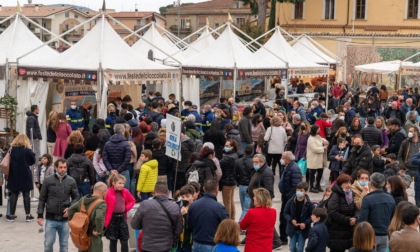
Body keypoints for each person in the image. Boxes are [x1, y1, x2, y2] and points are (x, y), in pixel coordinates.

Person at [37, 158, 80, 252]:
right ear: (55, 167)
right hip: (50, 218)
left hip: (65, 220)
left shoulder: (71, 181)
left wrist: (70, 208)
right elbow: (42, 199)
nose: (63, 169)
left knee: (64, 245)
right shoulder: (48, 181)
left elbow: (76, 197)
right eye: (60, 167)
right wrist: (40, 215)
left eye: (65, 167)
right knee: (48, 243)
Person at [131, 181, 183, 252]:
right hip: (166, 247)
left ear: (153, 192)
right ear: (167, 192)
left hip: (147, 246)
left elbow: (134, 225)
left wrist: (145, 225)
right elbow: (178, 230)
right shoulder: (175, 207)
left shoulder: (145, 204)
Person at [188, 178, 229, 252]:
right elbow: (226, 228)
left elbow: (189, 226)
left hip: (196, 243)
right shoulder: (219, 208)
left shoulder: (193, 205)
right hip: (211, 244)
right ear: (217, 190)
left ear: (203, 188)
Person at [358, 172, 396, 252]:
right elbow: (393, 217)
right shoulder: (390, 198)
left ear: (371, 183)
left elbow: (362, 220)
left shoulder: (368, 199)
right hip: (385, 235)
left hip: (371, 235)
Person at [68, 182, 107, 252]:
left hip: (82, 234)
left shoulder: (82, 200)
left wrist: (75, 224)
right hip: (93, 235)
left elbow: (70, 210)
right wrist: (98, 230)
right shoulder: (101, 203)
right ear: (103, 192)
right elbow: (99, 217)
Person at [7, 134, 36, 222]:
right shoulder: (28, 150)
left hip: (13, 174)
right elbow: (32, 162)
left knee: (14, 194)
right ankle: (28, 215)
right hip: (25, 174)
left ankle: (11, 215)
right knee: (26, 195)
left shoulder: (12, 149)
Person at [104, 173, 135, 252]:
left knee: (124, 240)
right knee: (113, 241)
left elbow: (132, 201)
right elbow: (104, 205)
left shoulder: (125, 191)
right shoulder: (108, 192)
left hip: (122, 217)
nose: (122, 185)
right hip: (112, 219)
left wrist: (126, 208)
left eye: (123, 183)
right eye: (119, 183)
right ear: (113, 183)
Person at [239, 188, 277, 252]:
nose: (253, 198)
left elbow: (242, 226)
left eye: (255, 197)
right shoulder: (273, 212)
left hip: (253, 247)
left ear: (259, 199)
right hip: (266, 247)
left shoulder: (252, 212)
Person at [327, 174, 357, 252]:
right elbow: (332, 212)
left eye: (350, 183)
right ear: (340, 184)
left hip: (347, 231)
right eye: (346, 183)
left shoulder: (351, 194)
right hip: (336, 231)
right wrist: (347, 220)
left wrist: (355, 218)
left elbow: (355, 209)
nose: (348, 185)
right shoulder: (336, 195)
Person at [278, 151, 302, 243]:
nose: (281, 160)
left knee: (285, 217)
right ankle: (283, 236)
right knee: (283, 217)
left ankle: (284, 238)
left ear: (287, 159)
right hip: (285, 196)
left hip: (289, 197)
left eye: (282, 158)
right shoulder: (287, 166)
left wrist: (288, 196)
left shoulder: (294, 168)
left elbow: (296, 185)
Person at [284, 182, 314, 252]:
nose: (298, 192)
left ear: (306, 192)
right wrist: (291, 220)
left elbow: (311, 216)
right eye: (297, 190)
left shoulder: (309, 204)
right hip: (292, 229)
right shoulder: (291, 201)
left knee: (300, 249)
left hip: (303, 230)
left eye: (301, 190)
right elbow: (285, 213)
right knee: (292, 248)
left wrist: (305, 223)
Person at [103, 124, 132, 188]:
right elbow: (127, 159)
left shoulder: (107, 144)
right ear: (123, 131)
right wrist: (118, 170)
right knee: (125, 192)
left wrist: (111, 169)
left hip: (112, 172)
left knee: (111, 192)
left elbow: (105, 159)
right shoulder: (126, 144)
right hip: (123, 171)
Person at [219, 139, 238, 220]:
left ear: (232, 147)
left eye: (227, 146)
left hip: (227, 182)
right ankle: (232, 218)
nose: (225, 147)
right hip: (233, 181)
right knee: (231, 201)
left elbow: (219, 164)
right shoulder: (234, 155)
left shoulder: (227, 158)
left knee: (227, 202)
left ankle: (228, 220)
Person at [234, 144, 254, 221]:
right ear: (252, 152)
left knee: (244, 207)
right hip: (249, 186)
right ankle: (240, 224)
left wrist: (238, 182)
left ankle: (244, 223)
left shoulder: (238, 161)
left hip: (241, 185)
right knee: (246, 208)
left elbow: (234, 174)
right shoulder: (253, 162)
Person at [307, 125, 328, 193]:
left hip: (320, 159)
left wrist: (325, 141)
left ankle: (318, 185)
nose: (320, 130)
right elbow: (314, 149)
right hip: (314, 158)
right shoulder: (311, 138)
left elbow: (321, 139)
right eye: (318, 129)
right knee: (312, 173)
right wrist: (323, 148)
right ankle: (311, 187)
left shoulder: (317, 136)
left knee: (320, 173)